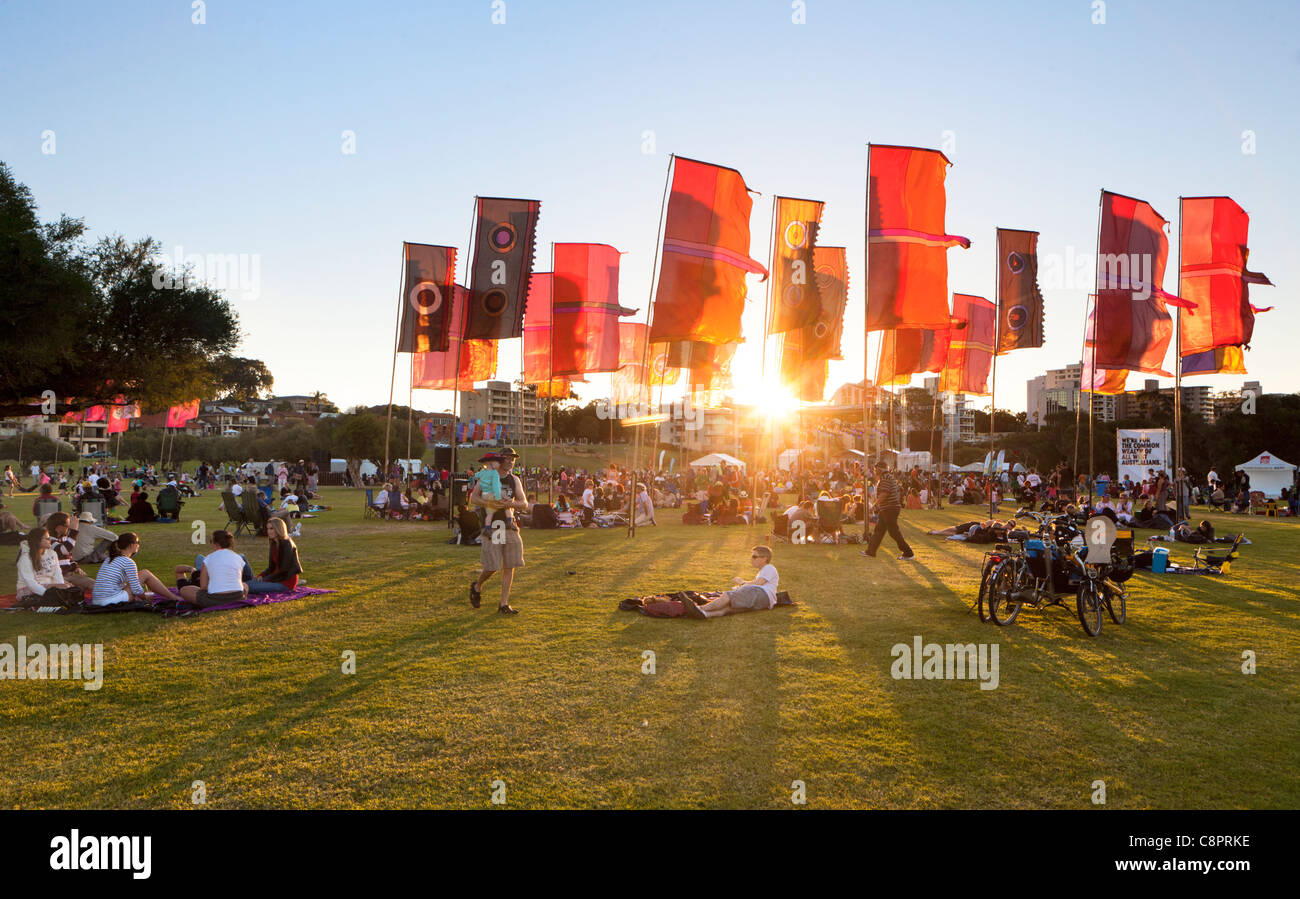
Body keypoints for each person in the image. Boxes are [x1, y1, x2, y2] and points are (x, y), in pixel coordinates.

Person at [468, 446, 528, 615]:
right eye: (508, 458)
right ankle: (477, 585)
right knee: (493, 566)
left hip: (509, 526)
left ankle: (503, 604)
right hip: (493, 526)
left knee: (510, 565)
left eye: (513, 459)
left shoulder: (514, 480)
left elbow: (524, 503)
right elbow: (473, 498)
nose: (511, 462)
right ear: (500, 460)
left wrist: (510, 503)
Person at [681, 546, 780, 619]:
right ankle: (705, 614)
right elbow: (756, 584)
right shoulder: (763, 571)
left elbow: (758, 583)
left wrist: (742, 583)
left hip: (762, 595)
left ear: (764, 558)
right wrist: (742, 586)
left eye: (754, 556)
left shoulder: (769, 567)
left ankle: (698, 608)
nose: (751, 559)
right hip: (765, 602)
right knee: (728, 608)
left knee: (727, 596)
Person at [91, 533, 182, 606]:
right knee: (145, 573)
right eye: (137, 542)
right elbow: (136, 590)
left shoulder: (109, 559)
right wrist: (146, 598)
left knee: (141, 574)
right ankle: (173, 597)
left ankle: (169, 595)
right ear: (131, 545)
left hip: (97, 601)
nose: (138, 545)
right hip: (110, 601)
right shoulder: (128, 562)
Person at [179, 530, 251, 608]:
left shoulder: (208, 559)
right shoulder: (238, 558)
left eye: (211, 541)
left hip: (215, 599)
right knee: (245, 585)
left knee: (184, 590)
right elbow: (239, 581)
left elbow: (203, 586)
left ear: (215, 544)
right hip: (238, 597)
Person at [248, 517, 303, 594]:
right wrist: (262, 575)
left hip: (285, 582)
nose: (268, 531)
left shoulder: (287, 544)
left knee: (249, 587)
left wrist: (266, 580)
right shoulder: (274, 543)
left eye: (271, 529)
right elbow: (271, 567)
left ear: (279, 529)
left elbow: (284, 570)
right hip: (275, 576)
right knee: (248, 584)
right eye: (268, 529)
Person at [15, 527, 70, 603]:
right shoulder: (25, 558)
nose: (50, 540)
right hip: (28, 590)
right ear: (37, 541)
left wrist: (59, 588)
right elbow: (31, 583)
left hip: (48, 586)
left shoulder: (52, 553)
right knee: (65, 588)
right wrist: (48, 594)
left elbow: (58, 574)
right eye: (47, 539)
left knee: (69, 587)